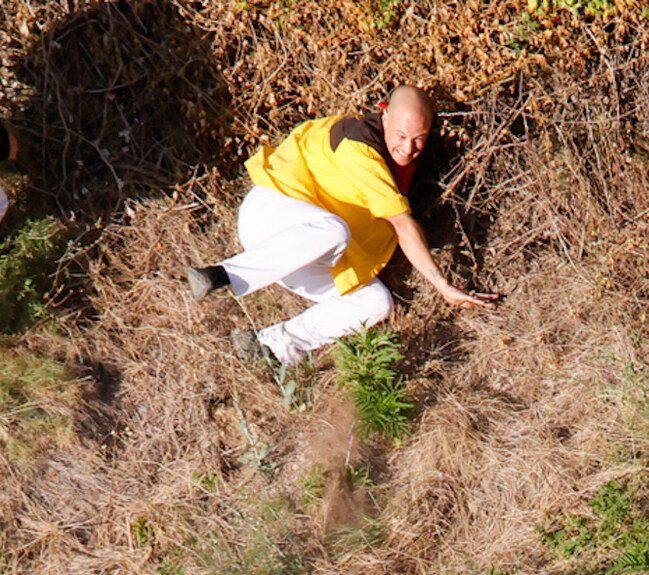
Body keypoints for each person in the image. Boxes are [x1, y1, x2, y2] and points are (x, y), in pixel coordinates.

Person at [186, 85, 494, 379]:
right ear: (384, 114)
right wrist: (442, 285)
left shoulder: (399, 161)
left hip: (300, 252)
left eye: (419, 139)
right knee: (334, 230)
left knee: (375, 302)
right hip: (270, 213)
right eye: (402, 135)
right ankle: (222, 274)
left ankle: (271, 346)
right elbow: (402, 223)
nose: (409, 147)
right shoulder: (357, 145)